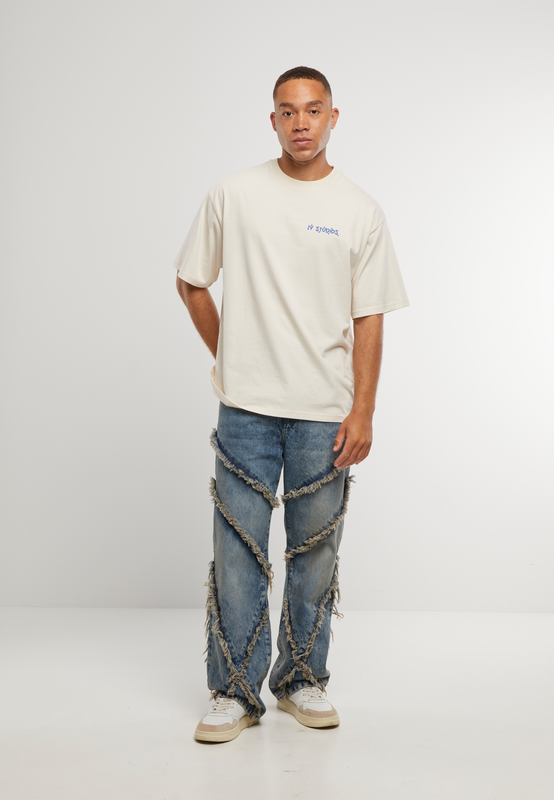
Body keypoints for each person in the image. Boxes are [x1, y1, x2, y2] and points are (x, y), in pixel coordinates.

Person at [174, 66, 409, 743]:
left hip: (324, 411)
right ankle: (233, 692)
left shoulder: (360, 210)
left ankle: (301, 677)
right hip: (245, 410)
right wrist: (230, 354)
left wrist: (363, 410)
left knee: (315, 552)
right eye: (287, 110)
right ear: (272, 120)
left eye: (312, 109)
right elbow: (191, 281)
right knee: (238, 551)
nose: (300, 122)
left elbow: (370, 317)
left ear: (334, 116)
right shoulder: (234, 193)